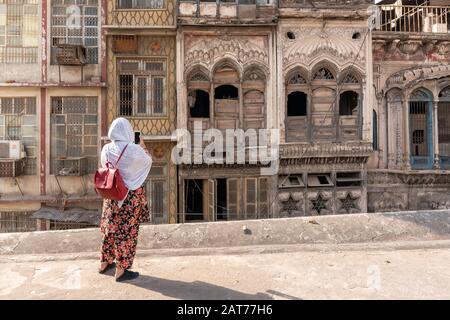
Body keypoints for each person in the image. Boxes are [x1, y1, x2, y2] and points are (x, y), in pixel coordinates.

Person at [98, 117, 152, 282]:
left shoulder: (106, 148)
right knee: (127, 232)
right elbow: (148, 162)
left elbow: (107, 167)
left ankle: (104, 263)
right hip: (129, 198)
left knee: (110, 229)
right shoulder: (134, 150)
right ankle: (121, 270)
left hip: (112, 195)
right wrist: (142, 145)